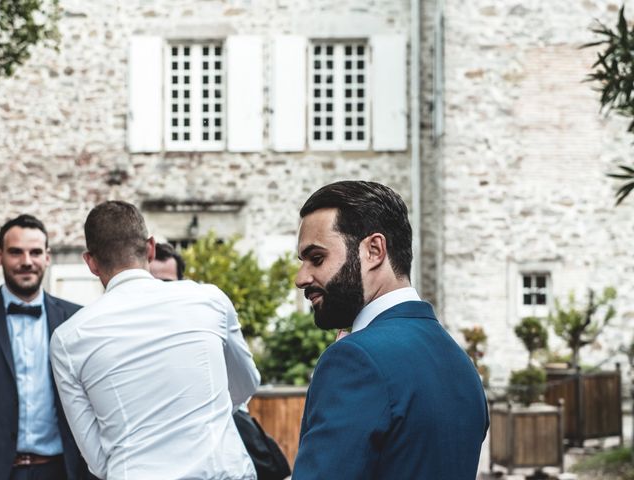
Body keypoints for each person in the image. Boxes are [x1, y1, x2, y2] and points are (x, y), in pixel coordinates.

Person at [292, 181, 489, 479]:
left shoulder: (354, 360)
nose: (301, 277)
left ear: (374, 250)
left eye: (317, 258)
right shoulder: (459, 362)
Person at [50, 201, 260, 480]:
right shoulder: (210, 299)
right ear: (150, 247)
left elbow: (98, 460)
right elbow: (247, 383)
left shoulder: (68, 338)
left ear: (90, 262)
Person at [149, 242, 292, 480]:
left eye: (167, 284)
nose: (160, 292)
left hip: (226, 439)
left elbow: (246, 383)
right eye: (153, 284)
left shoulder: (205, 320)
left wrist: (216, 406)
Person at [0, 214, 92, 480]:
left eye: (35, 252)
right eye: (16, 252)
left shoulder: (78, 321)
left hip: (62, 470)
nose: (27, 262)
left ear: (47, 257)